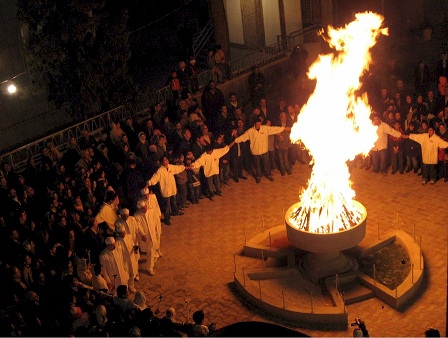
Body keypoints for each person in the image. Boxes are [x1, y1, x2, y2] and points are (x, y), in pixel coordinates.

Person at [234, 116, 288, 183]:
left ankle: (268, 175)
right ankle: (258, 176)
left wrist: (283, 128)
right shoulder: (250, 131)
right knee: (257, 165)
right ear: (254, 124)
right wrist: (235, 141)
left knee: (266, 163)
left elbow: (273, 129)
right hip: (255, 151)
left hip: (264, 150)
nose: (259, 126)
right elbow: (243, 137)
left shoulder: (265, 128)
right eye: (257, 124)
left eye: (260, 124)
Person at [147, 156, 185, 226]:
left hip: (172, 189)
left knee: (174, 201)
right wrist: (149, 183)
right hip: (166, 190)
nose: (166, 160)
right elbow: (155, 178)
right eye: (164, 160)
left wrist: (185, 167)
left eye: (166, 159)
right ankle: (167, 219)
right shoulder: (160, 170)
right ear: (162, 162)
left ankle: (175, 211)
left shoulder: (171, 167)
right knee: (167, 206)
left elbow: (178, 168)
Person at [134, 200, 161, 276]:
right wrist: (143, 235)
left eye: (145, 207)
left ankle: (152, 259)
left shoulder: (150, 211)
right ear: (140, 209)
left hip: (152, 233)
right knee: (150, 250)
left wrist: (156, 230)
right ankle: (149, 267)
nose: (145, 209)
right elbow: (139, 226)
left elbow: (154, 221)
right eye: (142, 208)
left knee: (152, 248)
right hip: (146, 236)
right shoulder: (137, 215)